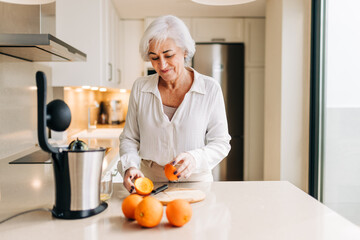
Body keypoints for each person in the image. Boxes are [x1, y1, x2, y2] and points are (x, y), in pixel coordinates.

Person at [118, 15, 231, 193]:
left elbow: (221, 142)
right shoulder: (140, 88)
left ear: (185, 51)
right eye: (154, 57)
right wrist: (130, 166)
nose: (162, 65)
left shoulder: (210, 88)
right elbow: (130, 138)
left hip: (196, 183)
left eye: (168, 55)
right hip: (150, 182)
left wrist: (195, 158)